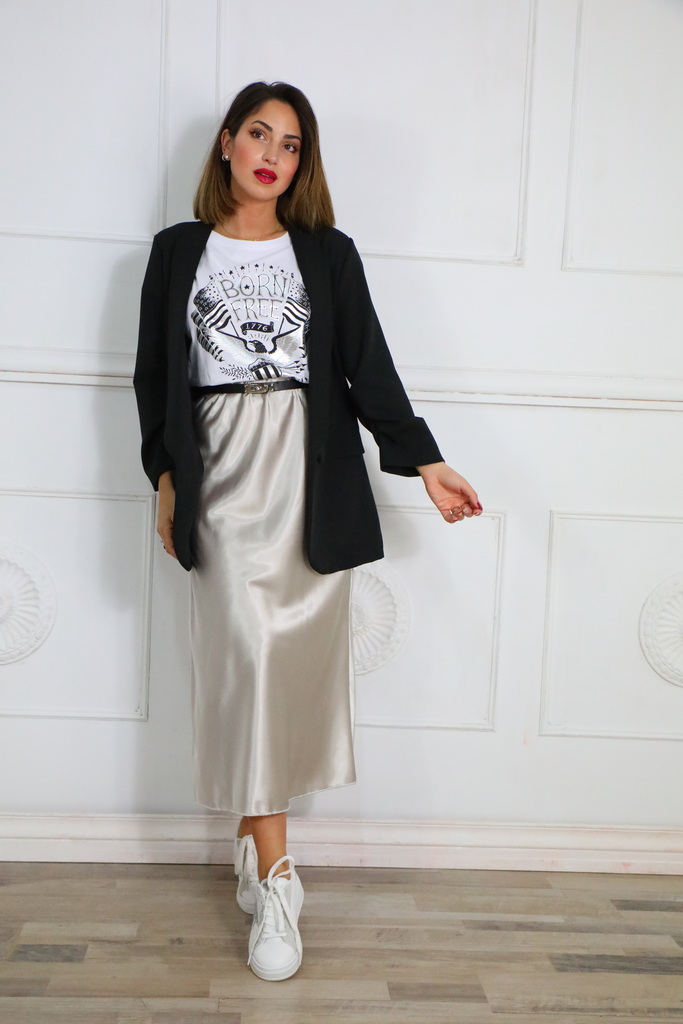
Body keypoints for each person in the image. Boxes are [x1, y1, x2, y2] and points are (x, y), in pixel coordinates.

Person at [133, 81, 481, 982]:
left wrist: (425, 459)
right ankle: (280, 876)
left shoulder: (327, 253)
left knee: (282, 672)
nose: (272, 156)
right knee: (245, 660)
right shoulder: (177, 252)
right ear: (225, 143)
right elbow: (154, 377)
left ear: (300, 164)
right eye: (259, 135)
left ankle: (261, 858)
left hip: (309, 479)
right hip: (218, 473)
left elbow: (367, 366)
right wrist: (166, 479)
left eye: (290, 145)